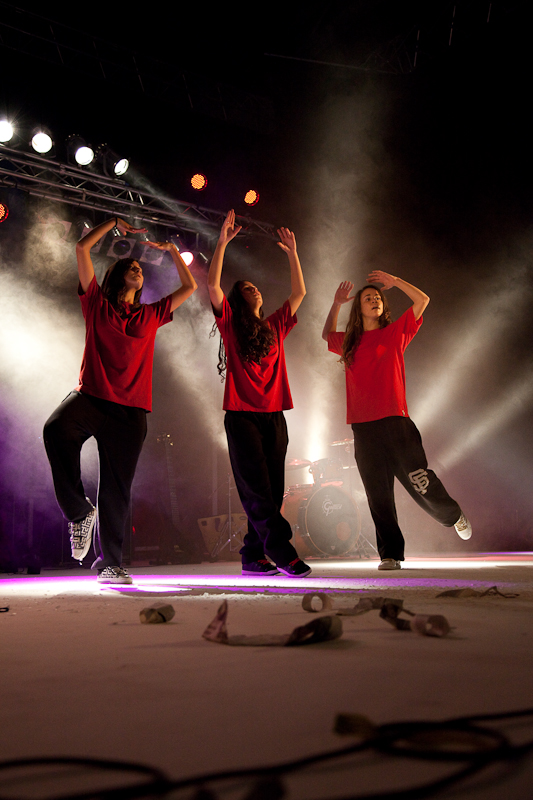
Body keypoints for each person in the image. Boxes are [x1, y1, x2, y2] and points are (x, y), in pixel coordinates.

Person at [43, 217, 197, 584]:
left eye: (139, 269)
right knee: (55, 429)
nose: (136, 270)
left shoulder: (151, 313)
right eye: (129, 267)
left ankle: (110, 563)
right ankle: (80, 513)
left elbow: (190, 285)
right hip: (91, 398)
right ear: (115, 277)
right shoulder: (95, 301)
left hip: (130, 412)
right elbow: (81, 248)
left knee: (116, 489)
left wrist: (174, 251)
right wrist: (112, 223)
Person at [322, 270, 472, 570]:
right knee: (377, 493)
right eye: (368, 298)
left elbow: (423, 300)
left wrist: (396, 282)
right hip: (364, 426)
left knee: (419, 481)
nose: (374, 300)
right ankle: (390, 553)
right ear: (359, 308)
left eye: (377, 297)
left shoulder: (395, 332)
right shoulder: (350, 343)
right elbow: (327, 335)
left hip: (396, 420)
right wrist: (337, 303)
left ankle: (452, 515)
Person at [208, 209, 311, 577]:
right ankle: (282, 552)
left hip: (274, 414)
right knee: (255, 488)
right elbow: (213, 288)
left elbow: (299, 292)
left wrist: (292, 254)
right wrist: (221, 244)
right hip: (241, 414)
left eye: (254, 286)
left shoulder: (276, 325)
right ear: (237, 300)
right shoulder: (231, 325)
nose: (252, 288)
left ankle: (253, 556)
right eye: (244, 288)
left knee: (272, 491)